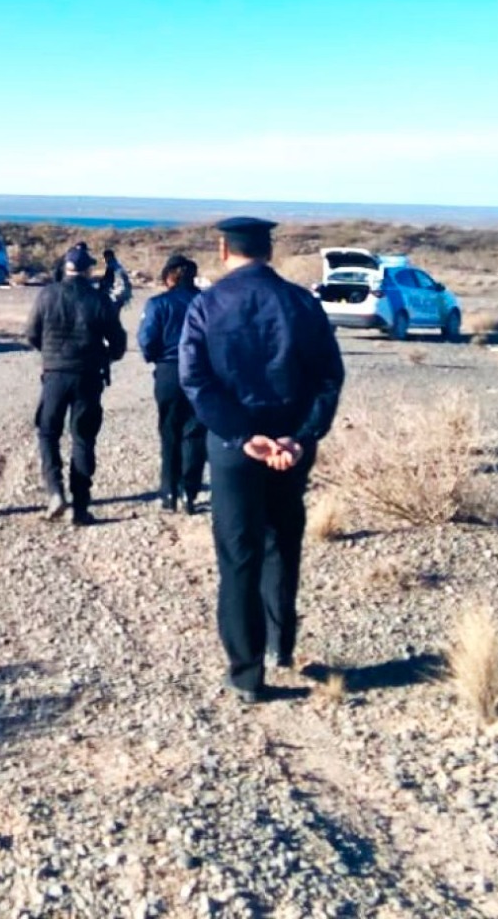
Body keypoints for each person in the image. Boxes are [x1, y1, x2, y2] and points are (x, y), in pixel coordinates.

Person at [179, 216, 344, 705]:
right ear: (267, 250)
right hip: (291, 449)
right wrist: (298, 437)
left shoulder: (206, 305)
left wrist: (243, 435)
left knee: (237, 554)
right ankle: (280, 645)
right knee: (282, 540)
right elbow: (328, 378)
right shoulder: (301, 303)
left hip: (234, 450)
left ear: (225, 249)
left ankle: (247, 673)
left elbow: (197, 381)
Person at [26, 243, 127, 525]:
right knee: (83, 438)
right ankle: (80, 507)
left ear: (66, 268)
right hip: (88, 375)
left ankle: (55, 491)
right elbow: (118, 343)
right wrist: (105, 356)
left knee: (48, 433)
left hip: (55, 374)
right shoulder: (99, 301)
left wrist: (49, 353)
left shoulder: (47, 295)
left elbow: (31, 333)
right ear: (88, 270)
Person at [138, 254, 206, 514]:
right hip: (201, 372)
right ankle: (190, 491)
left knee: (169, 431)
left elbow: (147, 339)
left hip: (169, 371)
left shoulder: (158, 303)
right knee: (195, 432)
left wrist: (154, 358)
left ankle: (169, 492)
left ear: (169, 277)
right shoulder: (207, 302)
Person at [99, 247, 134, 314]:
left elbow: (108, 281)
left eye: (104, 258)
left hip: (116, 294)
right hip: (122, 294)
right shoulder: (118, 265)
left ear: (108, 257)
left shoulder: (112, 267)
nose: (104, 260)